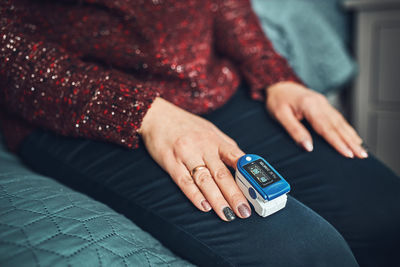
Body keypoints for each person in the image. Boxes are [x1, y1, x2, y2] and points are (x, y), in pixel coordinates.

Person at [1, 0, 399, 266]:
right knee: (304, 252)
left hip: (213, 89)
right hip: (85, 111)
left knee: (386, 213)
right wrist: (144, 113)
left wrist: (275, 75)